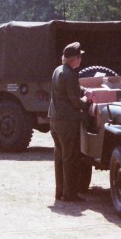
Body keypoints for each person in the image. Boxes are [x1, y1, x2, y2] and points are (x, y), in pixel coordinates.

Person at [48, 42, 92, 202]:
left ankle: (60, 192)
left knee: (60, 157)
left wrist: (82, 92)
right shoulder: (70, 74)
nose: (80, 60)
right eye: (79, 57)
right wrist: (87, 100)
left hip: (55, 120)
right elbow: (75, 101)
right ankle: (70, 194)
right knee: (70, 158)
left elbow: (69, 90)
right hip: (67, 122)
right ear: (75, 59)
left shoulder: (58, 70)